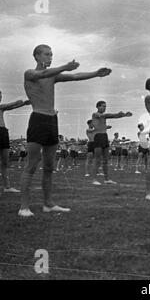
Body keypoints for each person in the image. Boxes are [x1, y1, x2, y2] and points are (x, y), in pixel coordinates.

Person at [19, 44, 112, 217]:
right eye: (47, 54)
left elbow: (75, 76)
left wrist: (95, 73)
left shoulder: (52, 76)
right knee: (31, 165)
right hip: (38, 119)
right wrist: (64, 66)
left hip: (52, 121)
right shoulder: (30, 74)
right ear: (37, 56)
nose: (50, 57)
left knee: (49, 166)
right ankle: (24, 207)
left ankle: (48, 204)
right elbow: (43, 73)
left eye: (52, 54)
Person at [0, 90, 31, 195]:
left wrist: (24, 103)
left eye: (0, 97)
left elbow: (11, 107)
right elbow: (3, 106)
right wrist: (15, 102)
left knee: (5, 161)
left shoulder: (1, 108)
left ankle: (7, 187)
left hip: (3, 132)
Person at [91, 101, 132, 185]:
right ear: (98, 107)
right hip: (98, 136)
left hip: (104, 136)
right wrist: (118, 114)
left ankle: (106, 179)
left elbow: (111, 116)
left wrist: (123, 115)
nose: (104, 108)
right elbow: (108, 115)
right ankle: (94, 179)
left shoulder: (104, 116)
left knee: (106, 160)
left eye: (105, 106)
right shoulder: (95, 114)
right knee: (97, 159)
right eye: (103, 106)